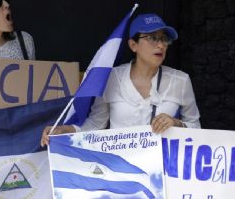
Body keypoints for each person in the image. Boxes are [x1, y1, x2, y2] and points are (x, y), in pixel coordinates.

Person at [41, 13, 201, 147]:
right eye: (152, 38)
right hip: (121, 168)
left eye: (164, 38)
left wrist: (176, 123)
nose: (160, 45)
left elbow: (197, 129)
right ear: (133, 45)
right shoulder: (110, 78)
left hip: (163, 170)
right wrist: (65, 130)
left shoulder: (181, 80)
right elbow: (96, 124)